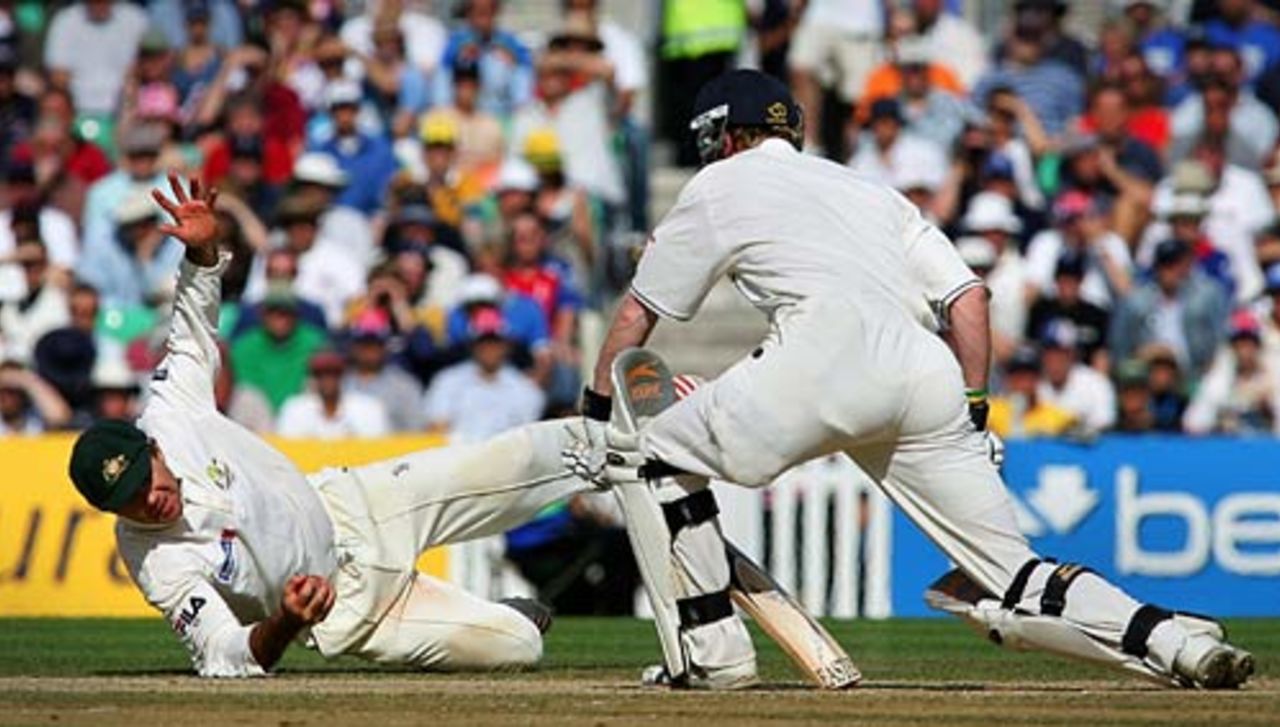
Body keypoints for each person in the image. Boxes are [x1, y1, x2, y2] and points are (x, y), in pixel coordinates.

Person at [575, 69, 1254, 690]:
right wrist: (975, 409)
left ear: (726, 135)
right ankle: (1175, 644)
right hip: (926, 375)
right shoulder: (869, 188)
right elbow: (969, 299)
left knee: (651, 454)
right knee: (1013, 574)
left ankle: (713, 654)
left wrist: (596, 411)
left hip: (815, 360)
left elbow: (639, 312)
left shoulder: (718, 183)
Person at [66, 174, 593, 677]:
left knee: (511, 463)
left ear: (154, 449)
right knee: (518, 645)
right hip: (349, 612)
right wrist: (289, 620)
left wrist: (202, 256)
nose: (149, 500)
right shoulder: (154, 560)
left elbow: (190, 333)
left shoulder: (170, 412)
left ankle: (621, 440)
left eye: (145, 478)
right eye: (130, 500)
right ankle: (505, 615)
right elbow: (226, 655)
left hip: (357, 504)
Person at [1110, 238, 1230, 381]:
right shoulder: (1136, 301)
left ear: (1187, 265)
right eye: (1165, 265)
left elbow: (1221, 339)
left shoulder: (1207, 295)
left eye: (1176, 264)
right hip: (1148, 373)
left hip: (1195, 373)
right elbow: (1119, 347)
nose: (1171, 271)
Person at [423, 305, 545, 442]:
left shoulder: (526, 390)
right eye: (483, 343)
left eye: (495, 342)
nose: (489, 349)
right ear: (472, 345)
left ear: (507, 345)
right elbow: (436, 430)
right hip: (458, 457)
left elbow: (527, 439)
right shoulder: (447, 381)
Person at [277, 350, 391, 439]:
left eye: (334, 372)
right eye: (320, 374)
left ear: (343, 375)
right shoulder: (294, 410)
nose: (327, 379)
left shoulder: (369, 410)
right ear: (312, 378)